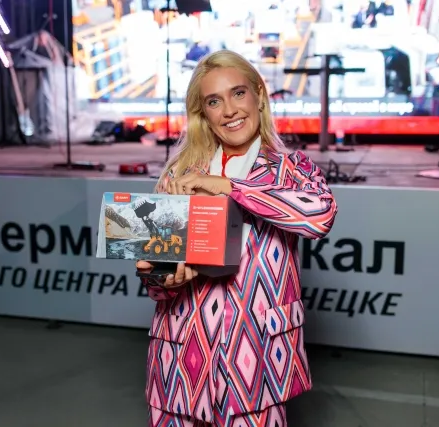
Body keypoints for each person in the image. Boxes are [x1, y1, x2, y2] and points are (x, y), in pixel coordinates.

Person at [136, 49, 338, 427]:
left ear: (259, 95)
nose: (229, 110)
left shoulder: (292, 169)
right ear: (204, 114)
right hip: (180, 364)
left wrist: (230, 187)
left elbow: (320, 217)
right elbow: (157, 285)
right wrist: (161, 278)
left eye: (238, 93)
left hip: (255, 362)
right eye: (214, 101)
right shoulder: (180, 176)